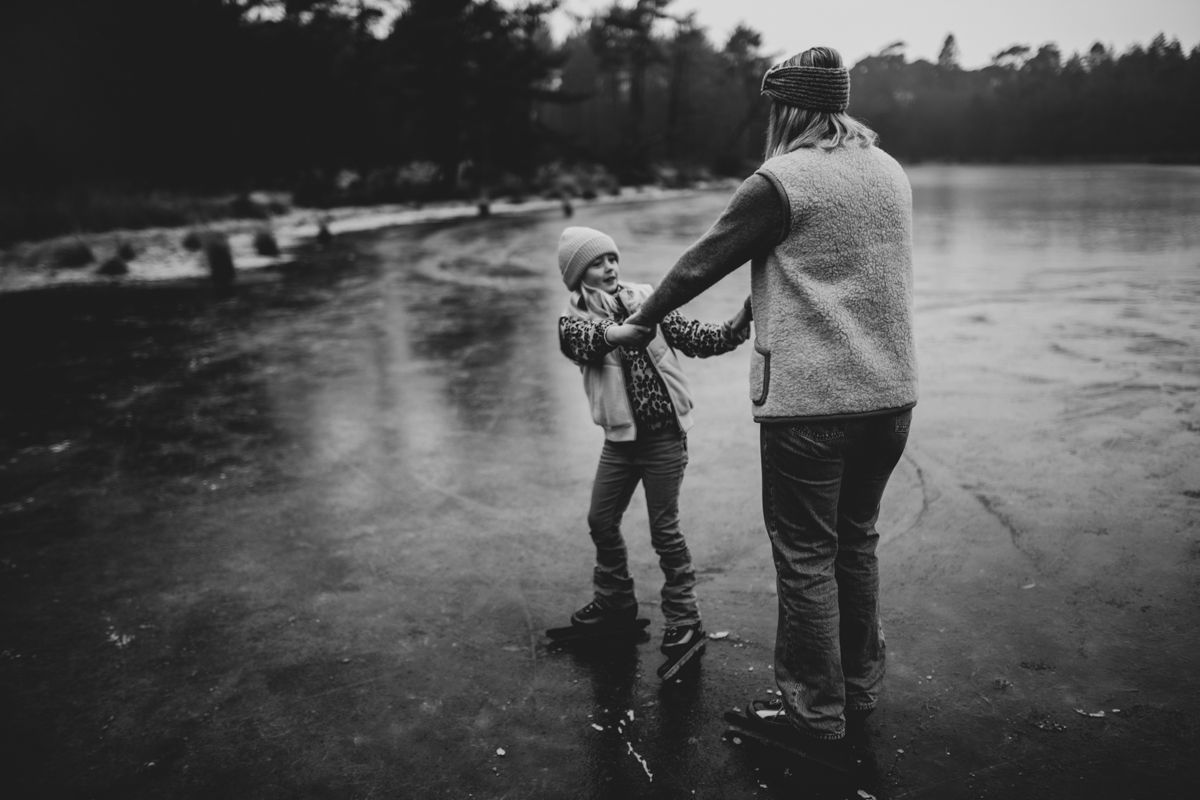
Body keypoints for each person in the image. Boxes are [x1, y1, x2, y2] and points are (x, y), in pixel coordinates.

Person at [624, 46, 917, 755]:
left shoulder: (781, 181)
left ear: (786, 107)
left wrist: (641, 318)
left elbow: (703, 259)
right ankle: (856, 688)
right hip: (891, 401)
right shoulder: (889, 171)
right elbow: (829, 269)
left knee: (808, 556)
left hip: (812, 408)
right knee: (856, 545)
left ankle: (812, 715)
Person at [555, 224, 752, 679]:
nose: (609, 268)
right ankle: (615, 604)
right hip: (620, 444)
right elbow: (586, 341)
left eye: (611, 259)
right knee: (600, 521)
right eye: (597, 262)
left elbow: (695, 338)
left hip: (664, 438)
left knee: (665, 531)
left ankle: (685, 619)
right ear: (577, 273)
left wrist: (737, 325)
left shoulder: (648, 297)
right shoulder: (574, 320)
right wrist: (619, 333)